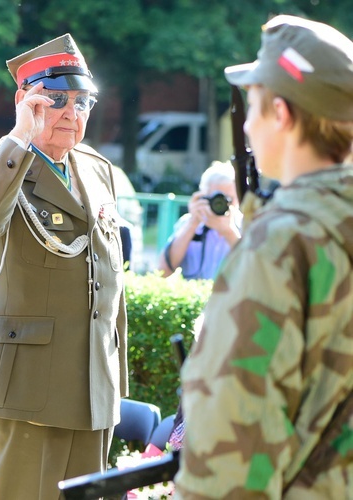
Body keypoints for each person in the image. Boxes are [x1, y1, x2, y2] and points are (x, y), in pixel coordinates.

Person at [175, 15, 353, 498]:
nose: (248, 124)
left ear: (283, 112)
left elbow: (232, 451)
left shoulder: (280, 244)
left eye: (252, 105)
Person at [0, 33, 129, 499]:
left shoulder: (96, 167)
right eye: (55, 100)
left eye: (83, 101)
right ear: (24, 101)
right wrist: (19, 138)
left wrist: (115, 381)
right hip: (23, 388)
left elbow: (110, 282)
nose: (72, 113)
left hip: (91, 386)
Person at [158, 161, 242, 280]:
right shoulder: (188, 224)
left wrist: (229, 232)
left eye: (229, 199)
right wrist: (193, 223)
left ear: (238, 198)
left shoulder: (249, 225)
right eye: (216, 198)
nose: (222, 205)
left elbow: (257, 269)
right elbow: (163, 271)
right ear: (203, 196)